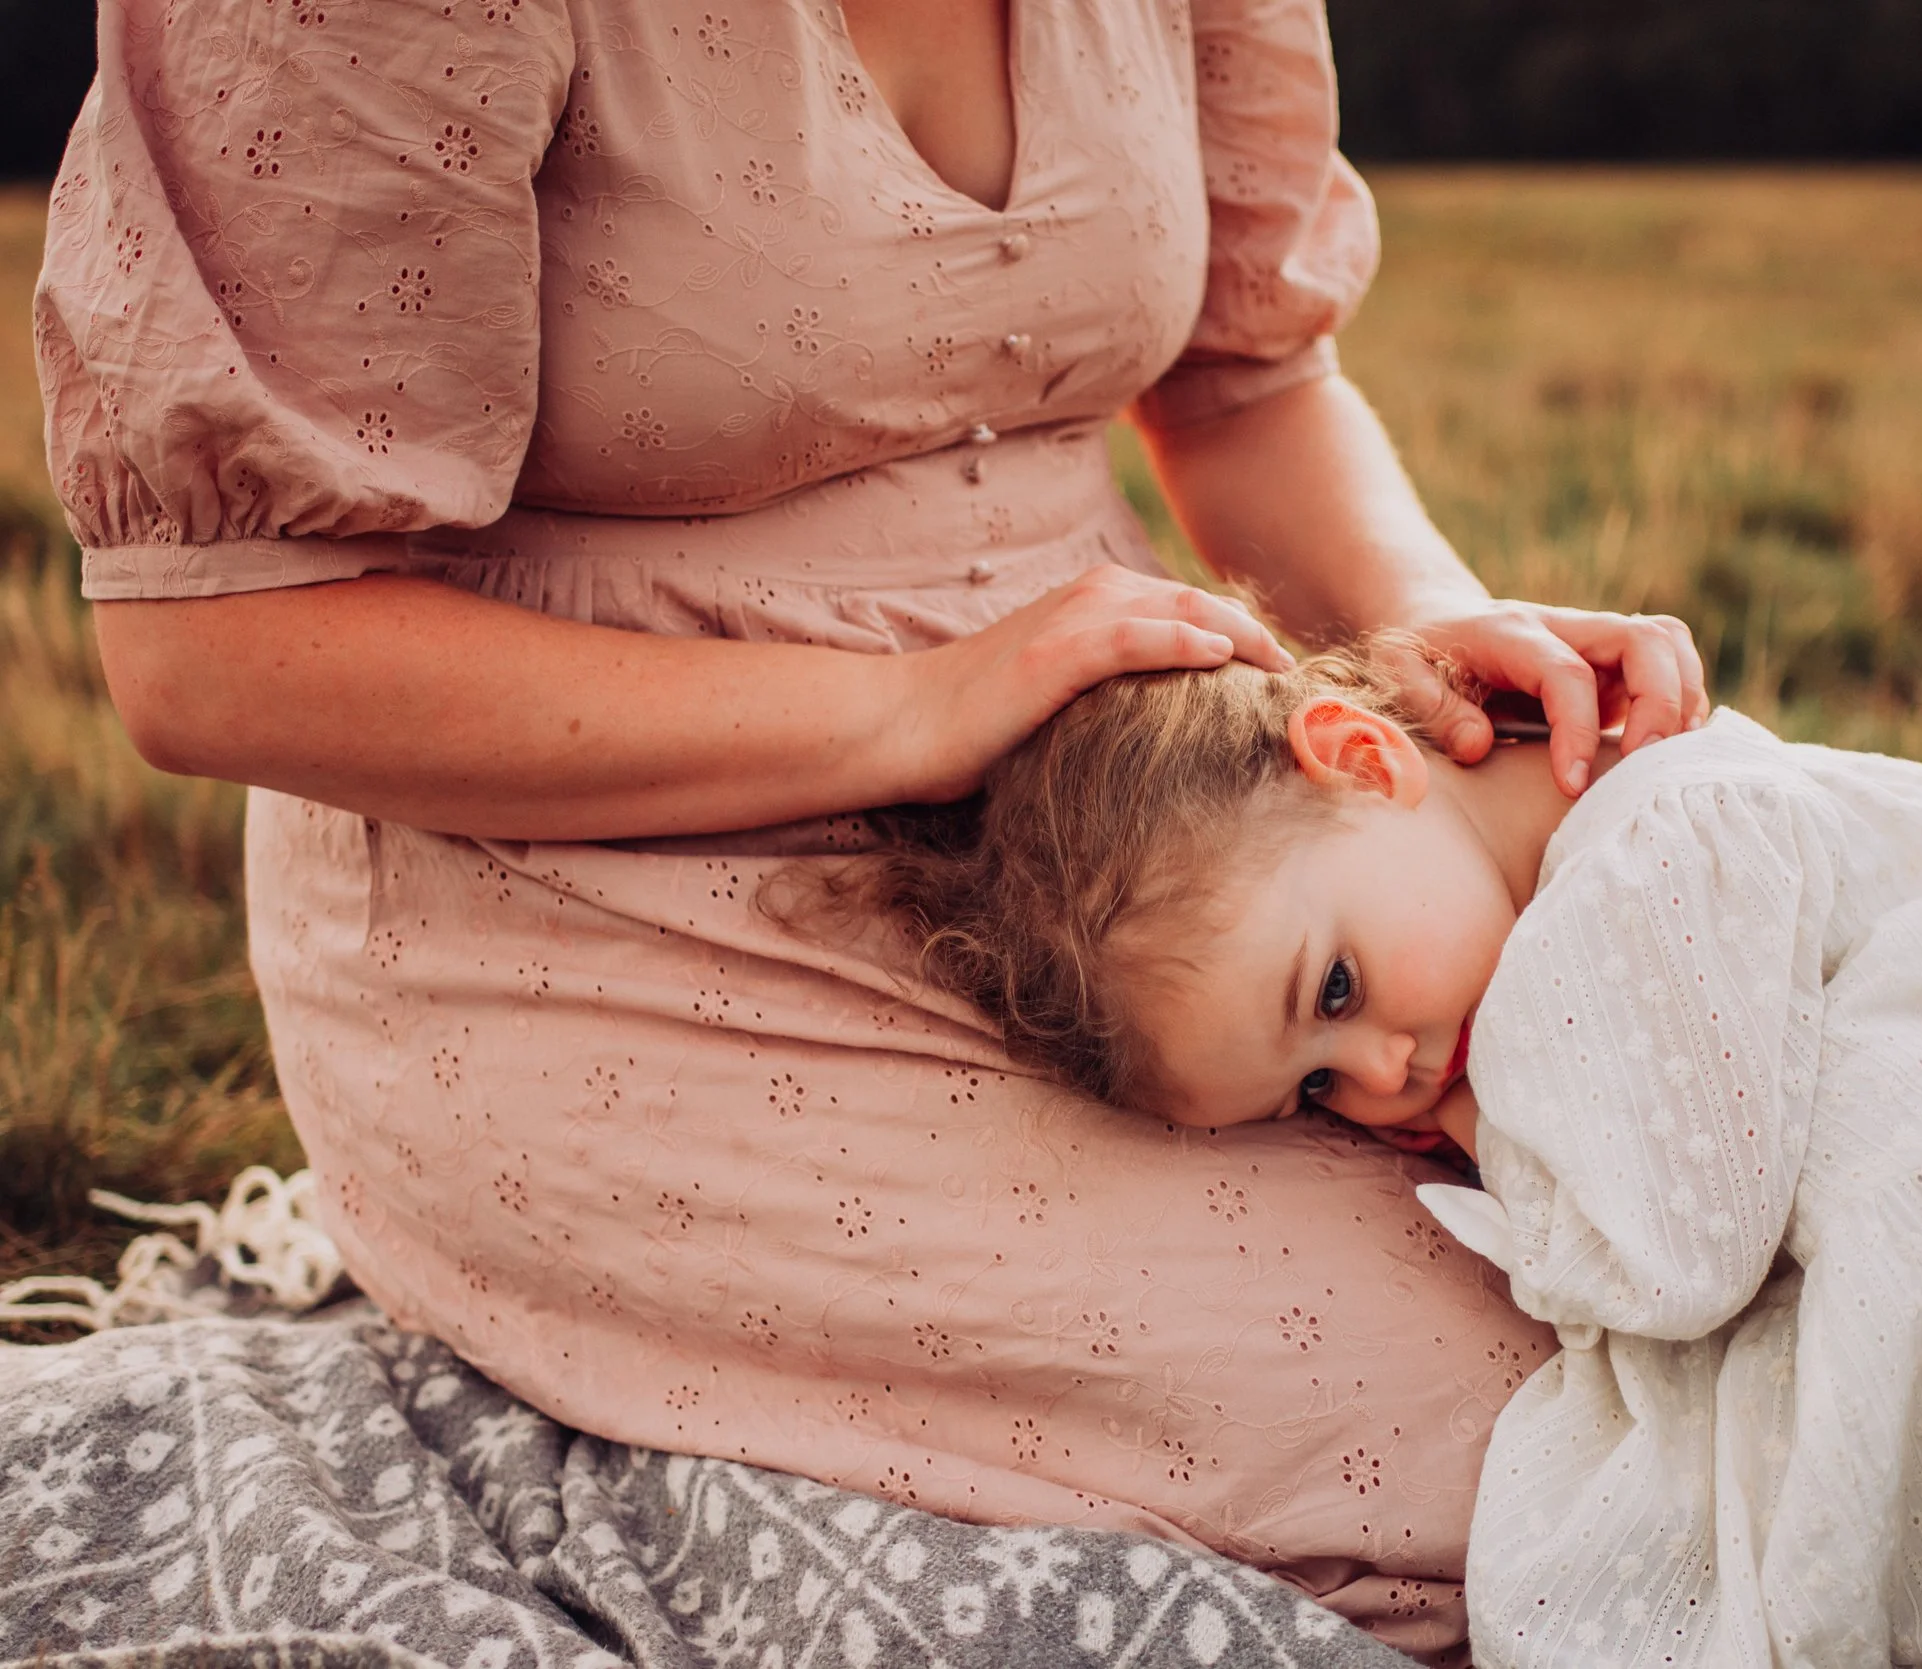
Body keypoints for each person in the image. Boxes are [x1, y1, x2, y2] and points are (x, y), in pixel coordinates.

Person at [36, 0, 1707, 1652]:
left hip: (1166, 858)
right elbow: (212, 655)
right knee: (1512, 1420)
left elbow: (1246, 388)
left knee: (1711, 1221)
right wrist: (909, 716)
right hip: (575, 881)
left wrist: (1439, 640)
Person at [843, 653, 1922, 1668]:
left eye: (1332, 992)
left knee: (1633, 1569)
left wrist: (1476, 1133)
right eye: (1312, 1095)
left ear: (1361, 755)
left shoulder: (1658, 854)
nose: (1383, 1072)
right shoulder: (1606, 871)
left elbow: (1670, 1254)